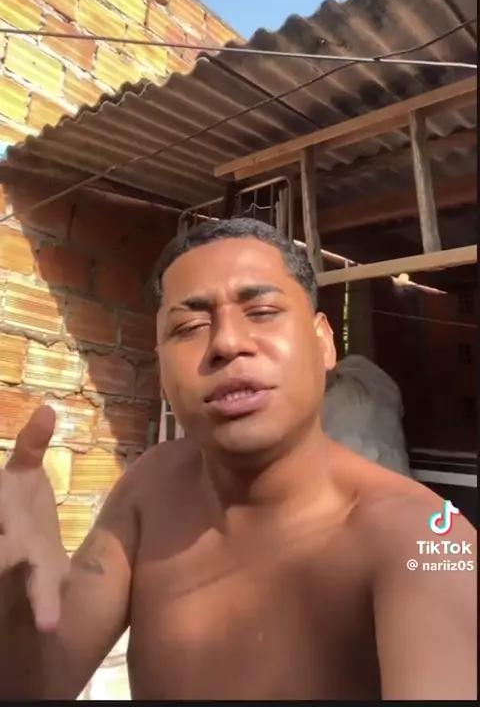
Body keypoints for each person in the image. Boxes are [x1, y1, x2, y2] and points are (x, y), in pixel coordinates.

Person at [0, 217, 476, 700]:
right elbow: (34, 687)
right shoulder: (151, 488)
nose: (227, 343)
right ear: (161, 369)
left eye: (263, 311)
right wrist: (13, 594)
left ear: (324, 343)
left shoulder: (424, 537)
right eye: (189, 327)